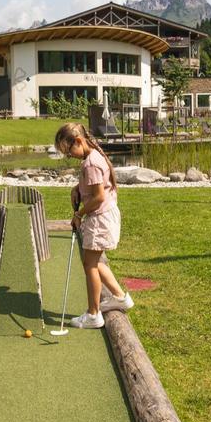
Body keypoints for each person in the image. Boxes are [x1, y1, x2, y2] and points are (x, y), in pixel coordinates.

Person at [54, 122, 134, 329]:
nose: (69, 156)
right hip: (105, 216)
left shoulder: (90, 163)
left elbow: (98, 197)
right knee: (96, 262)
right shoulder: (94, 157)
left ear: (79, 141)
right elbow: (96, 188)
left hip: (99, 218)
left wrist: (79, 214)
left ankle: (93, 314)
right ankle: (119, 297)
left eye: (69, 151)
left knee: (89, 264)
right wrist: (77, 189)